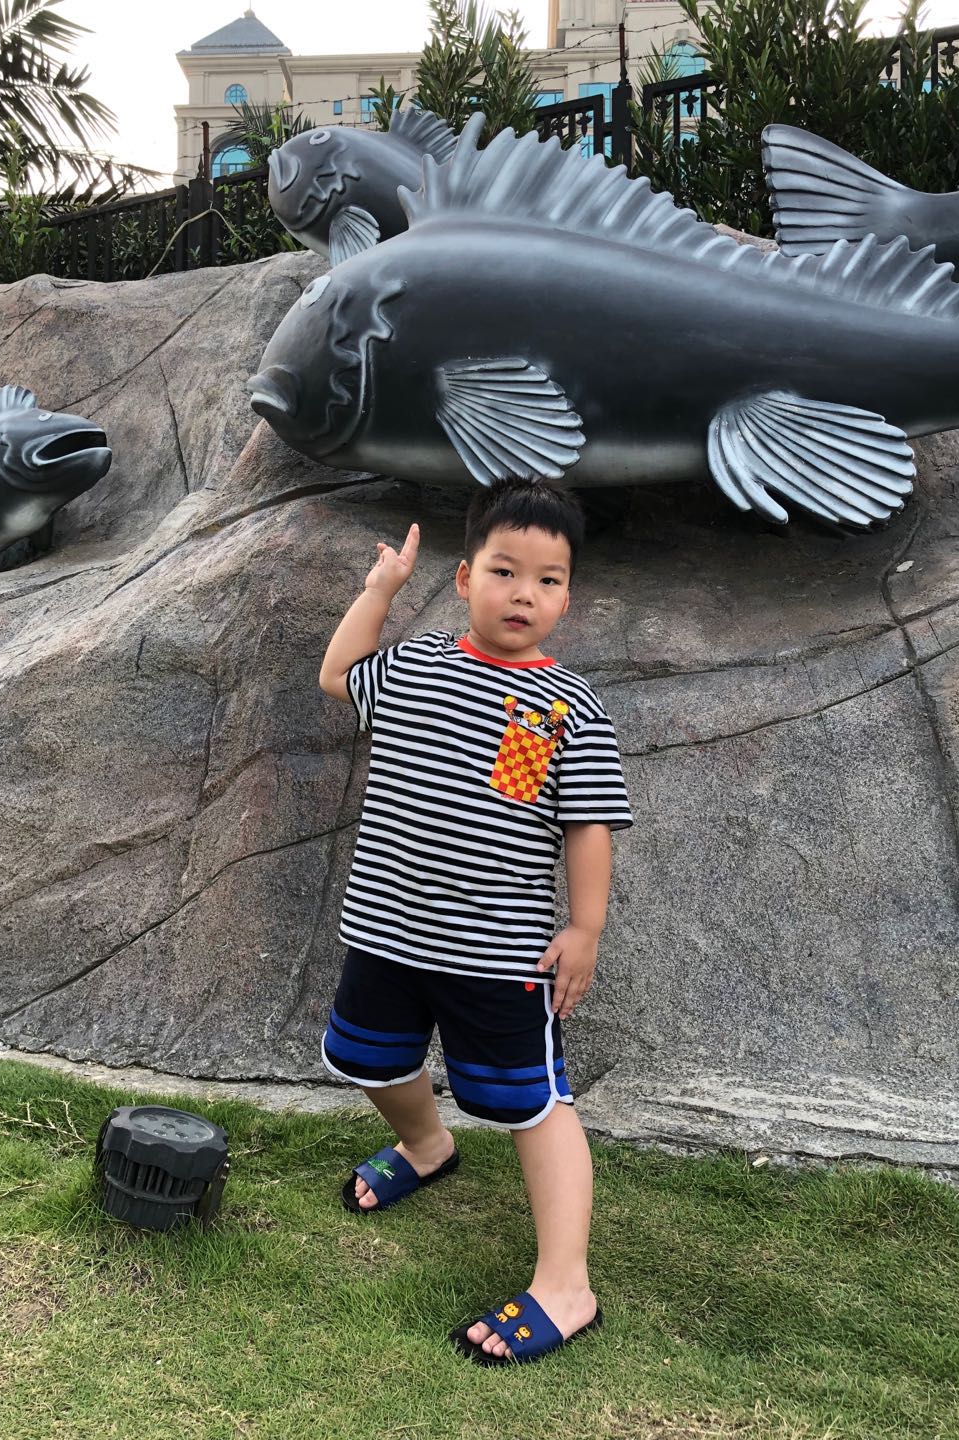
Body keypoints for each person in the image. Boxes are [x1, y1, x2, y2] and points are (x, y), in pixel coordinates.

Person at [317, 476, 633, 1366]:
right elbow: (337, 676)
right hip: (385, 933)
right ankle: (425, 1147)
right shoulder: (413, 665)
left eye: (547, 580)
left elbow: (588, 825)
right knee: (365, 1059)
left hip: (498, 958)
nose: (523, 594)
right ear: (464, 579)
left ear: (567, 597)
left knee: (535, 1104)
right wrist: (380, 590)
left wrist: (586, 930)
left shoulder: (569, 707)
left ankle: (566, 1287)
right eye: (504, 571)